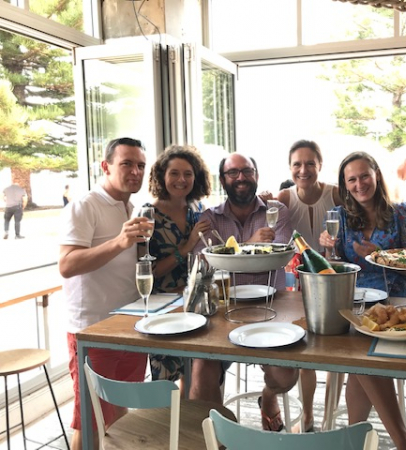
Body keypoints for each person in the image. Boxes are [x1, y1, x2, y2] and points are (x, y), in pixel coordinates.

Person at [319, 151, 406, 450]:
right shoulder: (338, 216)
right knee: (359, 354)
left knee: (360, 357)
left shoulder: (400, 213)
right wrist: (327, 248)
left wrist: (377, 257)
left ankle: (373, 438)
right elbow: (334, 265)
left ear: (377, 175)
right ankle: (398, 441)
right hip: (354, 301)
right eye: (351, 179)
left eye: (364, 175)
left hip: (395, 303)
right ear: (345, 184)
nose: (359, 183)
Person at [59, 137, 152, 450]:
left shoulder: (131, 207)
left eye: (140, 165)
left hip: (128, 325)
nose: (135, 171)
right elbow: (67, 265)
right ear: (106, 166)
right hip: (93, 329)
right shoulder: (85, 205)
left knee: (120, 415)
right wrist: (120, 243)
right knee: (90, 421)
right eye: (126, 163)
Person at [194, 153, 297, 431]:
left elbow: (281, 254)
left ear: (256, 175)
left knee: (286, 376)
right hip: (224, 309)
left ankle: (268, 395)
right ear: (223, 180)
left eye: (247, 171)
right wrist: (249, 244)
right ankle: (217, 438)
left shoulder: (276, 212)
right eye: (233, 173)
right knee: (201, 374)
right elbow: (203, 263)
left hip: (271, 307)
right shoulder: (209, 217)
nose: (241, 177)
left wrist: (230, 252)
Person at [145, 144, 222, 399]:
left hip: (194, 305)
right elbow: (150, 272)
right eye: (174, 173)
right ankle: (170, 436)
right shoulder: (149, 215)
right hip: (165, 310)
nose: (182, 180)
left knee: (199, 377)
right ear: (161, 176)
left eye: (188, 174)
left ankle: (200, 433)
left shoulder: (195, 212)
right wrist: (186, 246)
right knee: (166, 388)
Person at [277, 139, 341, 432]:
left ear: (320, 165)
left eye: (310, 164)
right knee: (306, 353)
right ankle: (307, 416)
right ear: (290, 168)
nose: (304, 170)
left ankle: (329, 416)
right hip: (299, 281)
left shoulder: (336, 194)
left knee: (338, 352)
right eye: (297, 165)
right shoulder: (285, 198)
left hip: (334, 278)